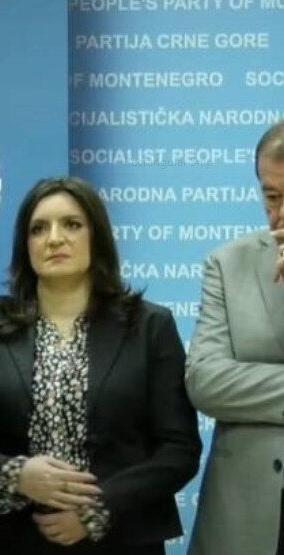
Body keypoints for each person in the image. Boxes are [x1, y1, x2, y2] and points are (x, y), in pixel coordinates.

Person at [0, 177, 201, 554]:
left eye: (71, 225)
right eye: (38, 229)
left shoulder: (150, 327)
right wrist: (15, 475)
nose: (54, 239)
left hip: (123, 538)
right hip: (10, 540)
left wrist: (98, 508)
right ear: (24, 246)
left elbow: (179, 449)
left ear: (96, 236)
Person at [187, 120, 284, 555]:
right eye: (272, 197)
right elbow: (206, 381)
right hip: (246, 520)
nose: (280, 213)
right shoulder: (228, 265)